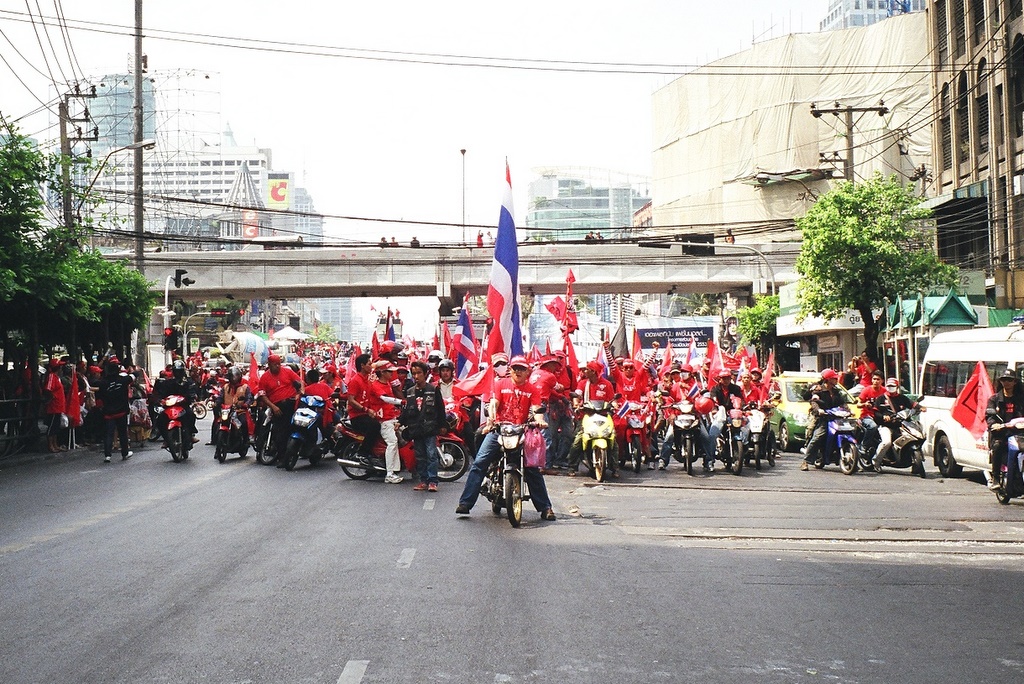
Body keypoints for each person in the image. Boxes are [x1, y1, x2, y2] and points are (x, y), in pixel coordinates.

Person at [456, 355, 555, 520]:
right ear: (510, 370)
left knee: (531, 468)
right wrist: (491, 421)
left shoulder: (532, 389)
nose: (518, 371)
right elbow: (493, 404)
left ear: (528, 371)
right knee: (479, 463)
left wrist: (540, 421)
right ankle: (465, 503)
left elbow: (537, 409)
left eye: (522, 368)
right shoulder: (500, 384)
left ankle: (546, 508)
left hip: (521, 430)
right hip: (499, 429)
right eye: (515, 368)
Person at [400, 361, 446, 492]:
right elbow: (406, 410)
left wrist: (443, 425)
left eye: (419, 373)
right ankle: (423, 480)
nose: (416, 376)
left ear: (425, 374)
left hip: (430, 428)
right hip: (416, 429)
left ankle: (433, 481)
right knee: (419, 455)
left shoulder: (433, 390)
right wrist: (400, 422)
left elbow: (440, 408)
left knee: (431, 454)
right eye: (414, 373)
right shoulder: (410, 392)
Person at [567, 361, 617, 477]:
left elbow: (612, 399)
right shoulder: (583, 383)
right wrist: (576, 403)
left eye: (587, 369)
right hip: (587, 416)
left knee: (613, 440)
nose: (584, 372)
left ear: (593, 372)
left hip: (604, 415)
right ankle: (572, 466)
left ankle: (615, 468)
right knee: (578, 440)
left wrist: (615, 405)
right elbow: (577, 395)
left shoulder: (607, 384)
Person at [256, 353, 302, 464]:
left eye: (278, 364)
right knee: (279, 432)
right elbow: (262, 394)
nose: (277, 366)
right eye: (274, 364)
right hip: (277, 407)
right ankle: (281, 456)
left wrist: (299, 394)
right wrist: (273, 406)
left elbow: (299, 382)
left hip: (291, 404)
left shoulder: (288, 372)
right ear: (269, 364)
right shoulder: (265, 377)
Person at [801, 368, 848, 471]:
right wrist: (819, 410)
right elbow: (813, 402)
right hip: (822, 418)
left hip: (835, 418)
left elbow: (842, 403)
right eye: (834, 378)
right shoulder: (818, 389)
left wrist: (848, 410)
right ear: (828, 379)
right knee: (818, 437)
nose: (836, 380)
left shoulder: (836, 391)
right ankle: (806, 461)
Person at [986, 369, 1024, 491]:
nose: (1006, 383)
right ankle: (996, 478)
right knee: (997, 446)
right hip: (1001, 434)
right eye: (1004, 380)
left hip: (1019, 433)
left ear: (1015, 382)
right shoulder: (994, 399)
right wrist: (994, 425)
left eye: (1009, 380)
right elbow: (989, 416)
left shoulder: (1021, 399)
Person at [871, 376, 919, 471]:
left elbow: (912, 404)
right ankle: (876, 462)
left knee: (914, 438)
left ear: (897, 387)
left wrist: (921, 407)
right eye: (889, 386)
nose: (890, 387)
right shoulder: (881, 399)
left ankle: (914, 464)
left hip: (900, 425)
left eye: (893, 385)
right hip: (885, 426)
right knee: (886, 442)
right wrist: (883, 416)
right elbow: (875, 412)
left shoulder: (902, 398)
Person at [368, 361, 404, 483]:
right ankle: (389, 473)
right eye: (389, 371)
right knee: (392, 442)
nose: (392, 374)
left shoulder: (387, 384)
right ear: (382, 372)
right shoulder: (376, 385)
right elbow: (384, 398)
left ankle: (396, 469)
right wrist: (400, 402)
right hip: (383, 420)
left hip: (391, 417)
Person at [342, 353, 381, 462]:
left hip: (366, 414)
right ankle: (362, 453)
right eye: (369, 363)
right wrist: (366, 410)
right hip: (357, 416)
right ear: (362, 365)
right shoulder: (355, 380)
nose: (371, 365)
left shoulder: (368, 380)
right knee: (375, 426)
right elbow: (351, 400)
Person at [95, 360, 133, 464]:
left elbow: (94, 387)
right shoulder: (123, 380)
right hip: (121, 411)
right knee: (122, 433)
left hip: (108, 413)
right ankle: (125, 453)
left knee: (108, 434)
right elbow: (135, 375)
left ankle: (107, 455)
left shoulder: (103, 383)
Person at [42, 358, 68, 453]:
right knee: (52, 427)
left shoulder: (56, 377)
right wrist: (52, 397)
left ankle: (55, 445)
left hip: (58, 406)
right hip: (53, 406)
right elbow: (48, 389)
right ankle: (51, 445)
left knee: (56, 427)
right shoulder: (52, 377)